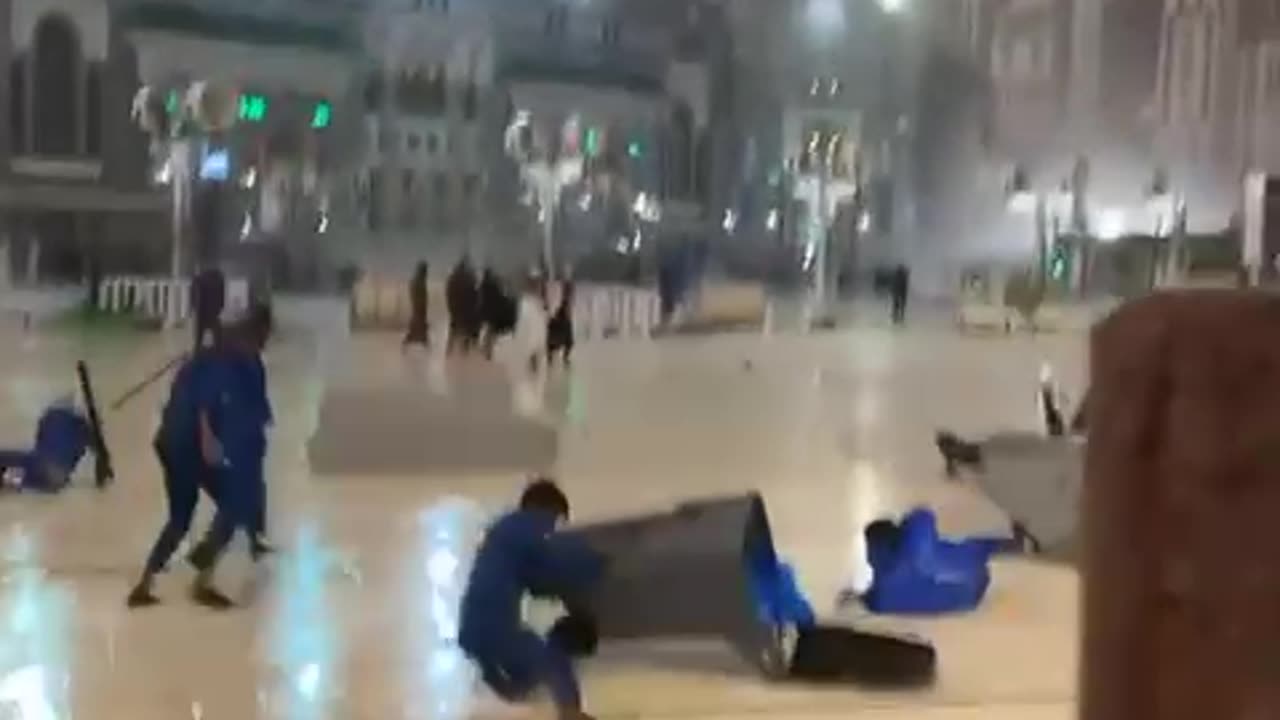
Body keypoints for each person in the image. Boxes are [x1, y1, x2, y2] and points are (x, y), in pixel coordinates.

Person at [126, 304, 274, 610]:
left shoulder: (217, 358)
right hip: (186, 444)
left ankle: (146, 583)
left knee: (183, 516)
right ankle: (201, 572)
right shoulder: (227, 360)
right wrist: (210, 440)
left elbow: (248, 413)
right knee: (231, 503)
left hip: (171, 442)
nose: (263, 342)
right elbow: (206, 403)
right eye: (262, 335)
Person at [459, 478, 605, 720]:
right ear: (549, 510)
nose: (556, 525)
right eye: (558, 519)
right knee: (554, 660)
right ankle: (572, 714)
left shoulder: (501, 532)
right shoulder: (532, 525)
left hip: (471, 628)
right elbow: (560, 563)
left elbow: (528, 575)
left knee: (525, 683)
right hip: (498, 626)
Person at [849, 508, 1022, 616]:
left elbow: (874, 597)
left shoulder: (879, 600)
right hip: (972, 581)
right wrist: (906, 525)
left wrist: (860, 597)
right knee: (967, 548)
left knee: (956, 549)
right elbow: (923, 514)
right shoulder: (917, 539)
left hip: (967, 598)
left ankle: (1009, 544)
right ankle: (1014, 543)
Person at [0, 396, 94, 494]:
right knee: (22, 469)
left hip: (47, 471)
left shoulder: (57, 417)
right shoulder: (79, 423)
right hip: (53, 473)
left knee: (19, 469)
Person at [514, 274, 548, 375]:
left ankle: (533, 362)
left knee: (535, 342)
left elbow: (544, 307)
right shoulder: (531, 297)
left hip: (535, 321)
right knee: (535, 342)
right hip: (534, 321)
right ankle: (533, 362)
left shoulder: (530, 296)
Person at [478, 268, 515, 359]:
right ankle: (487, 350)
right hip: (493, 314)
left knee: (489, 331)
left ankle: (485, 348)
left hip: (485, 313)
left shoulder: (483, 286)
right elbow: (500, 299)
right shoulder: (493, 286)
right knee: (492, 331)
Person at [446, 258, 479, 356]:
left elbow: (448, 293)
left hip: (455, 309)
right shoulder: (469, 278)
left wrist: (451, 306)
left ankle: (449, 354)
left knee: (453, 331)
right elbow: (474, 294)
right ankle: (463, 355)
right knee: (467, 333)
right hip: (466, 310)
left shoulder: (452, 278)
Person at [191, 266, 226, 351]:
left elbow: (193, 295)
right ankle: (218, 350)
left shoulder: (198, 279)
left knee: (199, 335)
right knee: (217, 334)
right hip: (214, 311)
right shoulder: (219, 279)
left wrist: (194, 307)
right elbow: (222, 297)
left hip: (201, 311)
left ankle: (197, 350)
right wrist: (220, 307)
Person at [546, 274, 575, 367]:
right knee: (557, 341)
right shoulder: (556, 292)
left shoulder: (565, 298)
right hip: (559, 320)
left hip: (560, 320)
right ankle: (557, 358)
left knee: (566, 342)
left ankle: (561, 358)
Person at [404, 261, 431, 349]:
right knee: (418, 330)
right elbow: (420, 296)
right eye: (425, 270)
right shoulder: (419, 282)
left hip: (418, 309)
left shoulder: (416, 281)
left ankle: (425, 347)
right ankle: (426, 347)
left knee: (417, 331)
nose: (427, 273)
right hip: (419, 309)